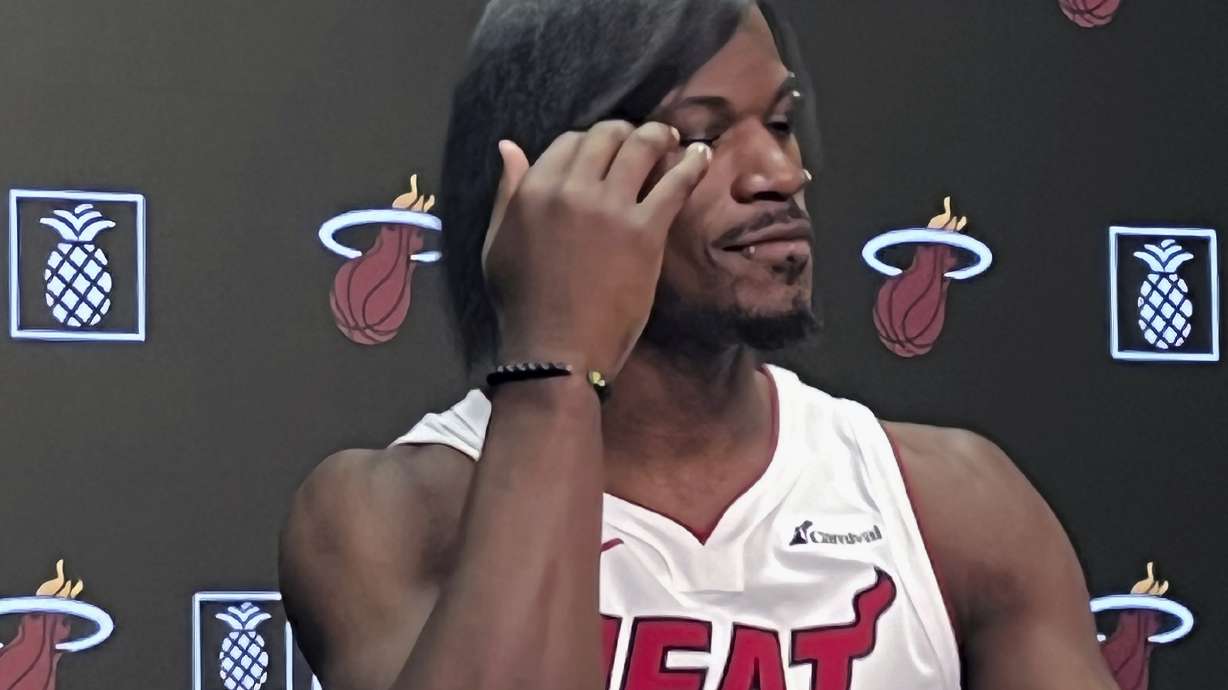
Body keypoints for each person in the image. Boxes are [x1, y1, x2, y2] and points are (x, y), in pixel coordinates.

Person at [278, 1, 1118, 688]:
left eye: (781, 124)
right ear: (547, 181)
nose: (780, 175)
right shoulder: (386, 515)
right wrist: (556, 364)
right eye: (703, 137)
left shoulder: (955, 507)